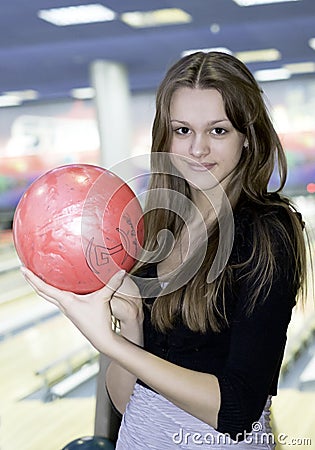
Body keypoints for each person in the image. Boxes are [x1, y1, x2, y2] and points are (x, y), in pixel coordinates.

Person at [22, 51, 308, 449]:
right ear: (165, 136)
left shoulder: (268, 231)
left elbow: (239, 411)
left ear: (248, 136)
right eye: (183, 130)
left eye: (219, 131)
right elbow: (128, 402)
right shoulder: (158, 226)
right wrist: (133, 325)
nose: (198, 149)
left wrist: (110, 342)